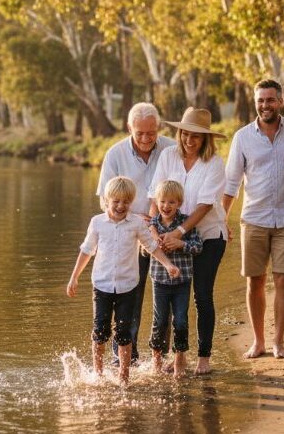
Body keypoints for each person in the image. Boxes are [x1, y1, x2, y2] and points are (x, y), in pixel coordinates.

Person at [67, 176, 181, 385]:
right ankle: (98, 374)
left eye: (126, 202)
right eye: (116, 201)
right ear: (107, 200)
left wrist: (168, 264)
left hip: (128, 287)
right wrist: (74, 277)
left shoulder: (136, 223)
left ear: (131, 202)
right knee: (100, 330)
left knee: (124, 332)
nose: (121, 206)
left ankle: (124, 377)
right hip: (101, 286)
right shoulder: (97, 222)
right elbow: (86, 251)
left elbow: (151, 246)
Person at [222, 79, 284, 359]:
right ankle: (259, 342)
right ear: (255, 103)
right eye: (260, 100)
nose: (265, 105)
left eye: (270, 100)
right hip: (254, 219)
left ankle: (279, 342)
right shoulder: (242, 137)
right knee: (254, 282)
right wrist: (223, 220)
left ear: (280, 101)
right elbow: (231, 183)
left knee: (283, 281)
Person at [149, 107, 228, 375]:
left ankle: (204, 357)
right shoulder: (168, 156)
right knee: (172, 298)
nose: (189, 141)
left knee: (202, 296)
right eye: (185, 134)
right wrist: (154, 231)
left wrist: (179, 233)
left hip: (207, 237)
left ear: (206, 138)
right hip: (169, 237)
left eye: (196, 136)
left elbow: (205, 206)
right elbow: (155, 197)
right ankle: (176, 356)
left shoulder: (215, 163)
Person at [95, 102, 176, 365]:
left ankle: (160, 355)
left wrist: (160, 220)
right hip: (130, 236)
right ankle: (125, 358)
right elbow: (104, 201)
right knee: (130, 297)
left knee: (165, 298)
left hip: (164, 233)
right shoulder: (115, 154)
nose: (145, 139)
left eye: (150, 133)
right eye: (139, 133)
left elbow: (179, 190)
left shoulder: (170, 149)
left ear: (158, 128)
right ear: (129, 128)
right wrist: (131, 218)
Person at [147, 179, 203, 378]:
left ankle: (179, 361)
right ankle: (156, 361)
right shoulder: (152, 224)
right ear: (157, 202)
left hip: (182, 282)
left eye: (171, 202)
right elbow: (145, 251)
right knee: (160, 321)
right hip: (159, 281)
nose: (166, 206)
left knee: (180, 321)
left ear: (179, 203)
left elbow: (198, 247)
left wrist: (180, 244)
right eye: (162, 202)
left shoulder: (185, 223)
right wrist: (154, 246)